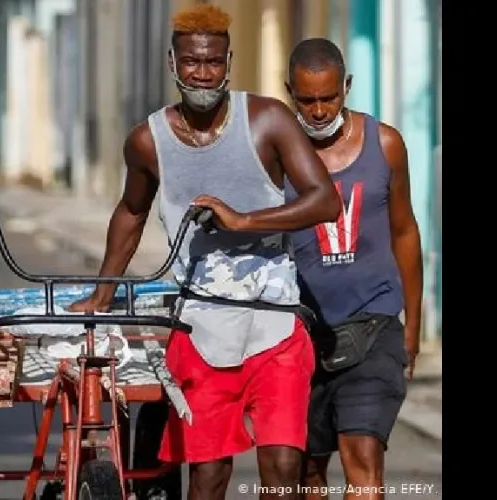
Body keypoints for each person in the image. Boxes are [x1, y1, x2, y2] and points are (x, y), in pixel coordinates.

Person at [69, 5, 341, 499]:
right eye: (192, 63)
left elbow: (326, 200)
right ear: (173, 64)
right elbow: (131, 212)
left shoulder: (266, 120)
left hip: (275, 324)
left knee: (282, 468)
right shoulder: (147, 142)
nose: (202, 74)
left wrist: (246, 221)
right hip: (200, 328)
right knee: (209, 474)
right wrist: (102, 293)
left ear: (229, 62)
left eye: (213, 62)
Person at [284, 39, 423, 500]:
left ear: (347, 87)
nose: (319, 110)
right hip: (302, 336)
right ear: (290, 92)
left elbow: (405, 232)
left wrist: (411, 329)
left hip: (374, 324)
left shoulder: (385, 145)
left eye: (329, 97)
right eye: (307, 100)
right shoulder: (278, 155)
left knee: (363, 458)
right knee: (306, 471)